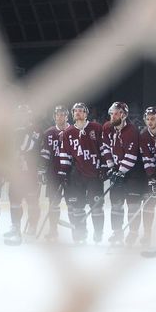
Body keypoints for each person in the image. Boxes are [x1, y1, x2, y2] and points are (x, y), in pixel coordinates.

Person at [59, 102, 106, 244]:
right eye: (76, 111)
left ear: (86, 114)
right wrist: (63, 173)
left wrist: (104, 166)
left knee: (96, 206)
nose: (78, 113)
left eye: (81, 111)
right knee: (78, 206)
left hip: (94, 175)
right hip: (77, 175)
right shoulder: (68, 132)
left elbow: (104, 149)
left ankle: (98, 232)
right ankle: (81, 232)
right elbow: (65, 154)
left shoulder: (96, 128)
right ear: (73, 114)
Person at [101, 101, 144, 247]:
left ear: (124, 115)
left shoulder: (132, 131)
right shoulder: (107, 127)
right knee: (116, 205)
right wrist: (112, 168)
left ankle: (133, 234)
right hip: (118, 170)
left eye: (116, 113)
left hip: (134, 174)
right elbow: (105, 148)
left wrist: (120, 172)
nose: (112, 116)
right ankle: (117, 232)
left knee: (133, 206)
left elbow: (131, 156)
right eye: (111, 113)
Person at [4, 105, 42, 245]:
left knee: (32, 201)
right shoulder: (14, 130)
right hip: (16, 173)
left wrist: (16, 152)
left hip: (31, 173)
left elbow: (28, 146)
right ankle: (15, 226)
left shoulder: (35, 129)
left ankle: (32, 225)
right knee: (14, 200)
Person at [38, 105, 70, 241]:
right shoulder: (49, 133)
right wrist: (41, 170)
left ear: (67, 117)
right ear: (54, 116)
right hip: (54, 173)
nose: (59, 117)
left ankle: (79, 231)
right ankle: (53, 230)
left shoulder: (73, 131)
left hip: (70, 174)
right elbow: (45, 153)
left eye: (62, 114)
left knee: (74, 203)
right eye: (57, 114)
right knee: (53, 203)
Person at [138, 106, 156, 246]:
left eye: (153, 119)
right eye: (147, 119)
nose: (150, 122)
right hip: (152, 173)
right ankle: (147, 233)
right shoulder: (143, 135)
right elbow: (146, 158)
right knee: (149, 204)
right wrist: (152, 178)